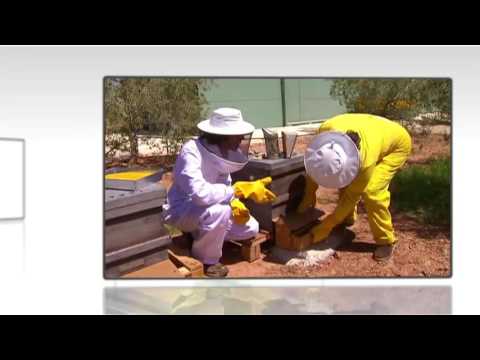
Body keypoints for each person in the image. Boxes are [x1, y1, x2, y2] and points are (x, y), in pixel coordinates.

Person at [162, 108, 276, 277]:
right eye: (237, 135)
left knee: (251, 228)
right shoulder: (191, 151)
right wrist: (235, 191)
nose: (241, 139)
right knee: (219, 212)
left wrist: (234, 204)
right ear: (223, 135)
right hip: (182, 211)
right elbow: (199, 194)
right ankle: (207, 260)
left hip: (208, 210)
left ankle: (199, 236)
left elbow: (224, 185)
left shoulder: (224, 152)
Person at [296, 113, 412, 261]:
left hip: (397, 143)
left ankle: (386, 240)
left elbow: (352, 196)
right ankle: (347, 218)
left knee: (372, 192)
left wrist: (327, 225)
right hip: (372, 126)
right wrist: (309, 195)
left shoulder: (366, 161)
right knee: (344, 180)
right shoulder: (324, 132)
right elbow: (314, 168)